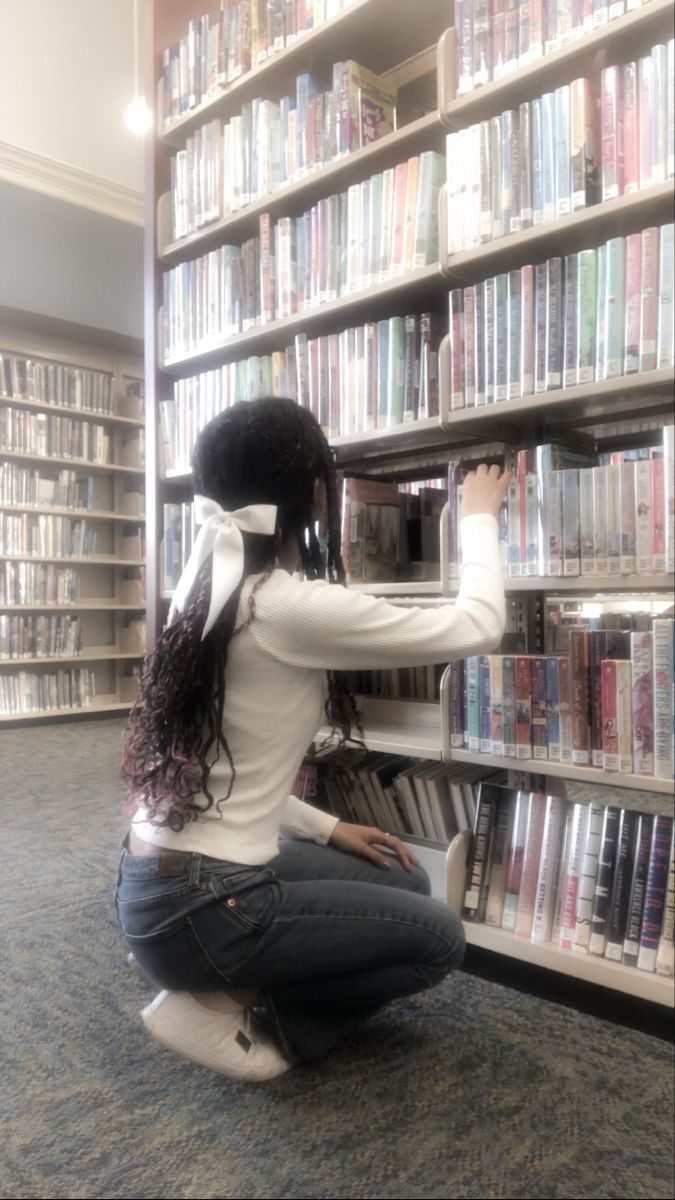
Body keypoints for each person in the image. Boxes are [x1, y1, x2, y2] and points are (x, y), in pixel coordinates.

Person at [115, 397, 509, 1081]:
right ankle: (238, 1012)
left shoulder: (206, 578)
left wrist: (328, 828)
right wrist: (478, 514)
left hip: (156, 883)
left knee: (407, 875)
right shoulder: (284, 604)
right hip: (203, 905)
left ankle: (210, 975)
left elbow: (217, 762)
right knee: (438, 940)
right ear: (313, 492)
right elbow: (476, 624)